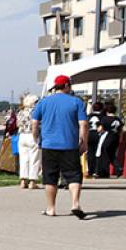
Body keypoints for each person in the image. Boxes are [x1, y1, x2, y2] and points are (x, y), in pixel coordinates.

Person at [31, 75, 88, 218]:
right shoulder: (77, 102)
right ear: (67, 86)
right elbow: (84, 124)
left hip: (49, 145)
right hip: (69, 145)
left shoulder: (43, 102)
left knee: (50, 177)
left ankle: (51, 208)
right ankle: (75, 203)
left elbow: (34, 123)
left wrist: (36, 138)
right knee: (74, 175)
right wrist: (84, 142)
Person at [17, 94, 41, 189]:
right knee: (34, 159)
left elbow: (17, 124)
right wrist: (36, 136)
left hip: (22, 135)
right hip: (32, 135)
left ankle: (23, 180)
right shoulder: (36, 112)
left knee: (23, 159)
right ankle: (32, 181)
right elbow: (35, 125)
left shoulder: (21, 112)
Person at [104, 103, 123, 176]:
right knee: (112, 154)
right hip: (116, 138)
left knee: (106, 154)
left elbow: (101, 129)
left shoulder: (105, 119)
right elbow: (121, 130)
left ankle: (106, 171)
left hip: (107, 138)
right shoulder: (118, 119)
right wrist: (120, 139)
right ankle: (118, 168)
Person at [86, 101, 104, 176]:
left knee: (90, 153)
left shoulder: (89, 116)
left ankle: (90, 169)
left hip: (89, 134)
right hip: (98, 135)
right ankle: (97, 170)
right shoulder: (102, 116)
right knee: (98, 153)